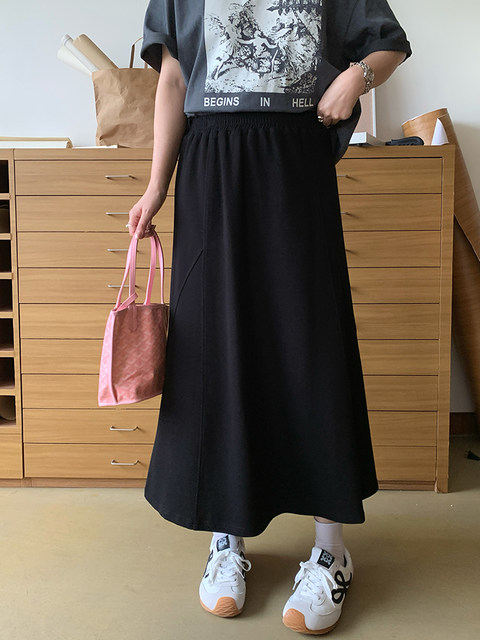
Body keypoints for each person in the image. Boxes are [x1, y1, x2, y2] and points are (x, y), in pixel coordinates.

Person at [128, 0, 411, 634]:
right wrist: (156, 187)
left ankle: (331, 550)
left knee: (310, 347)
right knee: (215, 350)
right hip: (209, 166)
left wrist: (356, 77)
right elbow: (173, 80)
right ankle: (226, 537)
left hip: (294, 165)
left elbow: (388, 43)